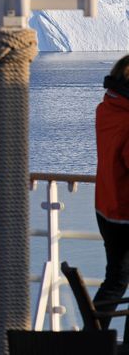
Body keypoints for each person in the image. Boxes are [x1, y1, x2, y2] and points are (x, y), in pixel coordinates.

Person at [93, 55, 129, 343]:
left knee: (115, 280)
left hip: (106, 206)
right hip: (125, 210)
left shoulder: (107, 109)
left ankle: (90, 340)